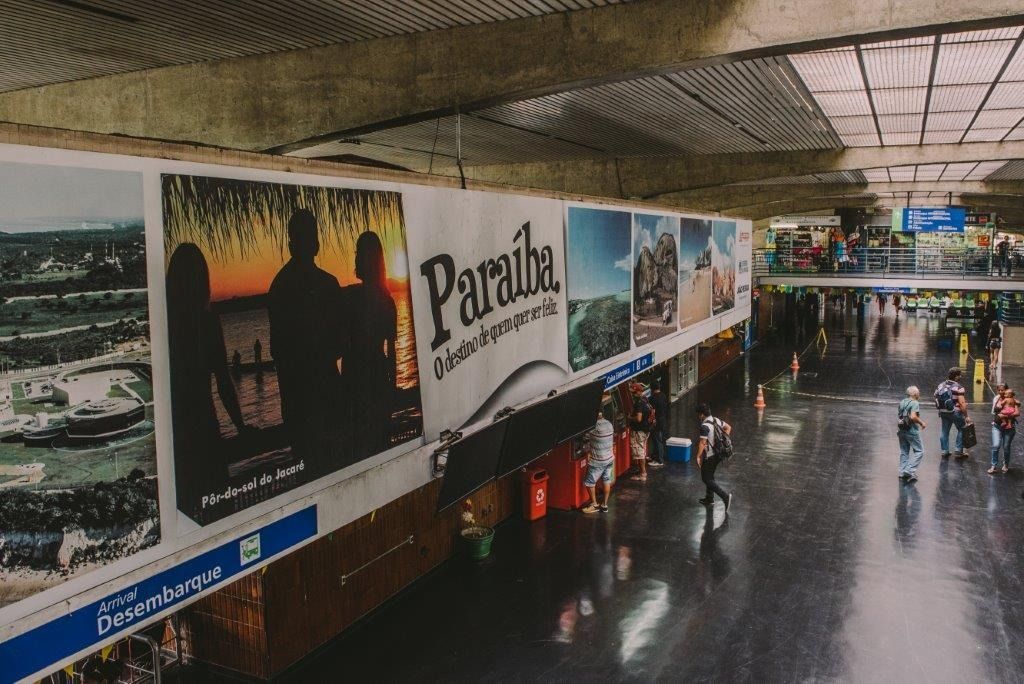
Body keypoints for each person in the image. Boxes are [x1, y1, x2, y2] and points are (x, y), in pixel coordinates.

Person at [165, 243, 251, 522]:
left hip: (177, 431)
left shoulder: (168, 324)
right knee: (218, 507)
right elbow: (224, 382)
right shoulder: (207, 321)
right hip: (204, 427)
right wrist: (240, 427)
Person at [268, 209, 344, 473]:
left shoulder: (279, 287)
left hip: (299, 405)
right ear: (316, 244)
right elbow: (339, 345)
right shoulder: (329, 285)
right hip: (326, 398)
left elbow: (278, 353)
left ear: (291, 243)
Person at [340, 231, 399, 460]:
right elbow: (391, 353)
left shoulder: (351, 298)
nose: (356, 257)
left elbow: (390, 352)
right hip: (376, 380)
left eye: (359, 253)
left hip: (357, 382)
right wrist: (391, 388)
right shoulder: (386, 300)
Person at [695, 403, 732, 511]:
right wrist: (723, 439)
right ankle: (709, 498)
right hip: (719, 453)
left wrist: (698, 456)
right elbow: (728, 427)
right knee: (710, 476)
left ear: (702, 414)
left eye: (699, 414)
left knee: (706, 478)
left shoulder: (704, 426)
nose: (698, 416)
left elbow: (702, 442)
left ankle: (725, 497)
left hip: (710, 456)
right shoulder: (716, 420)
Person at [582, 410, 615, 513]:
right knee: (606, 480)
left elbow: (583, 436)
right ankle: (604, 505)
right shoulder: (609, 424)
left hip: (598, 461)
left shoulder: (594, 427)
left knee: (589, 482)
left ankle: (594, 505)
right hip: (609, 458)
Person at [934, 367, 970, 459]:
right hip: (955, 412)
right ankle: (958, 450)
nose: (960, 377)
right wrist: (966, 416)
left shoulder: (941, 385)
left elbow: (935, 396)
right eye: (959, 375)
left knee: (945, 431)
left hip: (943, 411)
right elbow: (962, 403)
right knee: (962, 428)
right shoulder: (959, 387)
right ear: (956, 376)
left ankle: (944, 451)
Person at [897, 386, 927, 482]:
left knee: (904, 451)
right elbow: (913, 417)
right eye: (918, 393)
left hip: (901, 429)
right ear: (914, 394)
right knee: (919, 451)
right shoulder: (914, 403)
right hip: (911, 430)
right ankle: (909, 470)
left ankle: (902, 472)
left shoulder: (902, 402)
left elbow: (900, 415)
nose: (919, 394)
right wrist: (922, 423)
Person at [991, 387, 1019, 474]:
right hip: (997, 426)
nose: (1000, 392)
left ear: (1006, 391)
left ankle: (1006, 464)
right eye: (999, 390)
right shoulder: (997, 399)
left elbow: (1017, 413)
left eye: (1002, 390)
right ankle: (993, 465)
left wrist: (1004, 415)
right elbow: (994, 411)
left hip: (1009, 429)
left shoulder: (1013, 400)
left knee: (1006, 447)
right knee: (996, 445)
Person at [628, 383, 652, 481]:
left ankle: (643, 473)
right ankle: (641, 470)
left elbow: (638, 418)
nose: (632, 394)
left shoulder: (639, 403)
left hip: (639, 431)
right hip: (646, 429)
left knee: (640, 452)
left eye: (633, 393)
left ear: (638, 392)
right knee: (642, 449)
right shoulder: (645, 399)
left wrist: (630, 417)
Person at [648, 381, 669, 467]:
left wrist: (650, 421)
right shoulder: (663, 395)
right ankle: (655, 456)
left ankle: (659, 460)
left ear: (652, 389)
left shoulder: (652, 398)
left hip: (656, 422)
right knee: (658, 438)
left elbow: (653, 411)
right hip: (663, 420)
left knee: (657, 440)